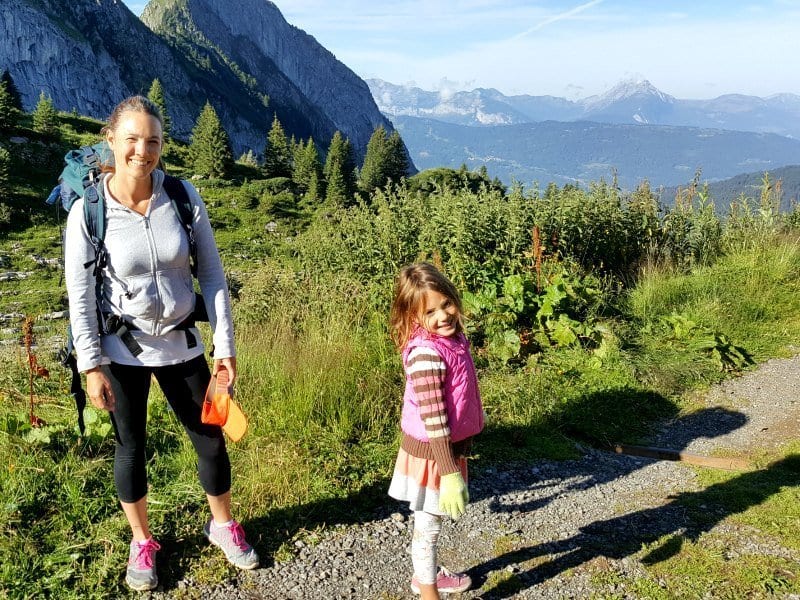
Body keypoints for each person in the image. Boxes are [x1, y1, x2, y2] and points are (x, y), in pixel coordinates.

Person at [64, 95, 258, 591]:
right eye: (132, 139)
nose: (142, 151)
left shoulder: (182, 196)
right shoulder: (88, 212)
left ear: (162, 145)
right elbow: (79, 297)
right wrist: (90, 366)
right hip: (120, 350)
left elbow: (212, 276)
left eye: (152, 141)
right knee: (130, 448)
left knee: (210, 440)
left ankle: (221, 525)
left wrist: (225, 347)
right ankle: (141, 541)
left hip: (182, 344)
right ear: (111, 140)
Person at [387, 262, 485, 599]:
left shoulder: (452, 340)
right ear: (413, 315)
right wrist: (449, 472)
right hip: (433, 457)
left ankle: (426, 577)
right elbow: (434, 421)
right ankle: (427, 590)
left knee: (432, 523)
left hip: (445, 453)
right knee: (427, 528)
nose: (443, 315)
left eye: (446, 304)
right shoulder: (426, 354)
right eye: (430, 311)